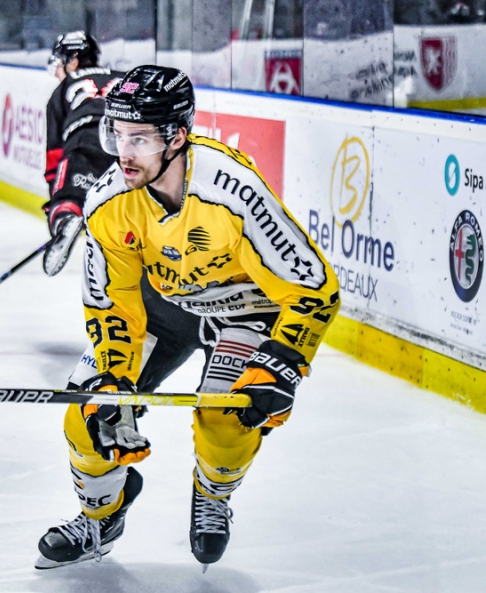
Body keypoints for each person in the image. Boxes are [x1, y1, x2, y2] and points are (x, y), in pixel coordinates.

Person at [35, 66, 340, 570]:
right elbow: (113, 302)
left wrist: (284, 360)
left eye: (138, 138)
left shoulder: (233, 192)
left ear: (177, 136)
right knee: (90, 415)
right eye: (115, 134)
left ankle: (213, 492)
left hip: (247, 311)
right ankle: (100, 517)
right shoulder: (110, 202)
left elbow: (314, 287)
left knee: (228, 422)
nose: (122, 153)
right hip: (168, 310)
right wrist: (113, 373)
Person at [42, 30, 123, 276]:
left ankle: (66, 218)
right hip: (126, 139)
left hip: (85, 138)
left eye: (60, 63)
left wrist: (56, 194)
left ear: (73, 61)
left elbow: (55, 154)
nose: (57, 71)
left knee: (68, 198)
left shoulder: (64, 87)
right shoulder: (123, 76)